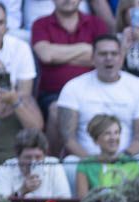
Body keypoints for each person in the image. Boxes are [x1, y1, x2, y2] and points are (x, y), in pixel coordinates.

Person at [57, 35, 139, 159]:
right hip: (85, 161)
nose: (109, 58)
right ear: (92, 58)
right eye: (103, 54)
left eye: (114, 54)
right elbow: (68, 138)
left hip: (127, 159)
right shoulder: (73, 87)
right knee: (70, 162)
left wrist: (122, 159)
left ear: (121, 58)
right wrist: (93, 163)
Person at [31, 0, 111, 150]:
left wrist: (59, 56)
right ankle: (52, 163)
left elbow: (101, 58)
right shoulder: (40, 24)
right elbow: (46, 55)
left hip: (92, 90)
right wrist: (84, 48)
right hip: (54, 94)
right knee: (57, 110)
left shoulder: (96, 23)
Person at [75, 113, 139, 195]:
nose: (113, 138)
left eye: (116, 133)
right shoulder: (85, 165)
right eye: (107, 133)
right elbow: (82, 201)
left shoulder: (132, 163)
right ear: (96, 140)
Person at [0, 128, 72, 198]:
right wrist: (22, 191)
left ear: (45, 156)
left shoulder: (54, 165)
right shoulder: (6, 168)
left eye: (38, 157)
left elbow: (64, 200)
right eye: (28, 157)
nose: (33, 162)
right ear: (18, 156)